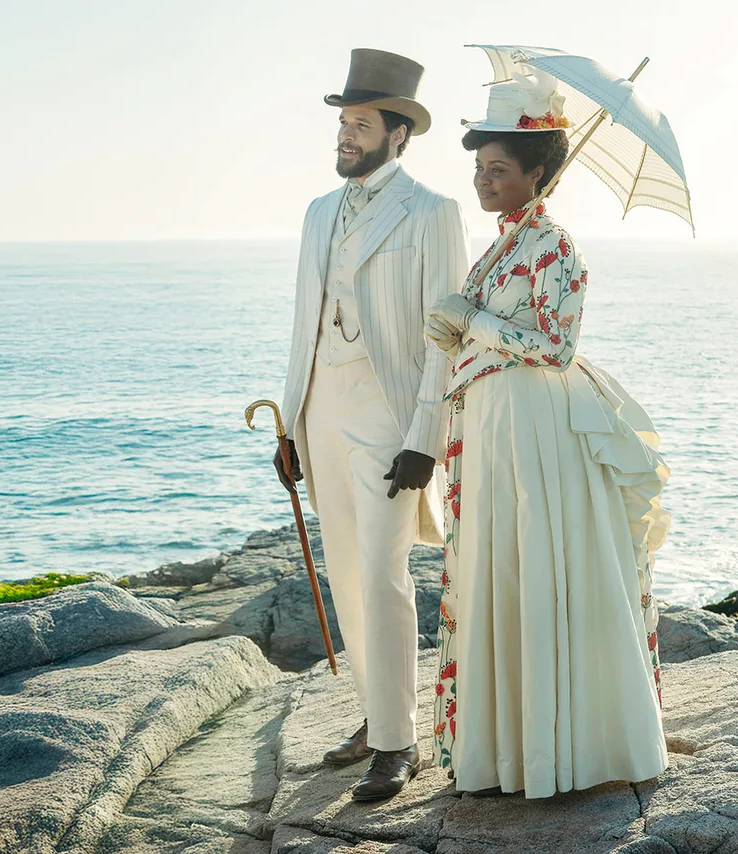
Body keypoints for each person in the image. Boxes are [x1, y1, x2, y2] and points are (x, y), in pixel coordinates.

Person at [424, 72, 670, 798]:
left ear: (537, 173)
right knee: (502, 568)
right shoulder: (504, 245)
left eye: (498, 168)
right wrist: (456, 328)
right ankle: (507, 748)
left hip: (534, 428)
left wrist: (475, 322)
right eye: (479, 167)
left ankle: (555, 750)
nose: (483, 179)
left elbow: (556, 347)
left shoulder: (553, 246)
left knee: (533, 564)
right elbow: (500, 335)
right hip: (496, 424)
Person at [275, 48, 470, 802]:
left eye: (361, 125)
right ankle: (375, 715)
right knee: (346, 577)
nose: (346, 135)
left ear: (399, 134)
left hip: (391, 420)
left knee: (384, 575)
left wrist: (426, 437)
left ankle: (398, 743)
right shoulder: (317, 212)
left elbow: (445, 337)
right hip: (321, 412)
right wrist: (289, 425)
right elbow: (302, 325)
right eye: (343, 123)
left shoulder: (432, 212)